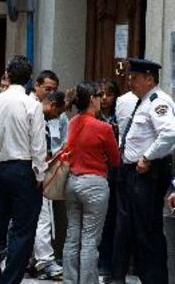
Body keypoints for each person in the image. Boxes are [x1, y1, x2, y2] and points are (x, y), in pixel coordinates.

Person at [0, 55, 47, 284]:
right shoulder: (32, 105)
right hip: (23, 169)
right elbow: (38, 145)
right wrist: (40, 174)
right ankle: (9, 280)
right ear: (29, 79)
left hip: (0, 167)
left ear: (7, 76)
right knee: (22, 230)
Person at [112, 58, 175, 284]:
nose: (130, 82)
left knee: (147, 231)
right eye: (130, 77)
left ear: (149, 79)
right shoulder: (143, 101)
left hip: (147, 174)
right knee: (131, 230)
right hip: (131, 173)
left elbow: (169, 133)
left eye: (135, 78)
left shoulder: (158, 101)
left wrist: (147, 157)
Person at [62, 81, 120, 284]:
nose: (102, 99)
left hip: (72, 182)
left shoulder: (72, 123)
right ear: (92, 99)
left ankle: (70, 280)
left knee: (72, 235)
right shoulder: (103, 128)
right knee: (89, 239)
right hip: (94, 183)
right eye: (99, 95)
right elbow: (115, 160)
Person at [28, 70, 67, 280]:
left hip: (48, 170)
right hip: (30, 170)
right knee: (39, 218)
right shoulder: (28, 108)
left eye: (54, 89)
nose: (50, 92)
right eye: (47, 89)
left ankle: (38, 259)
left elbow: (63, 140)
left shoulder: (56, 117)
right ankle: (43, 261)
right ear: (37, 86)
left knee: (42, 217)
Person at [97, 79, 120, 280]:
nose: (105, 99)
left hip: (114, 172)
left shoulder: (120, 116)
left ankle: (109, 262)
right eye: (101, 94)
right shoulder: (92, 116)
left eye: (109, 94)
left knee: (112, 217)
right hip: (95, 172)